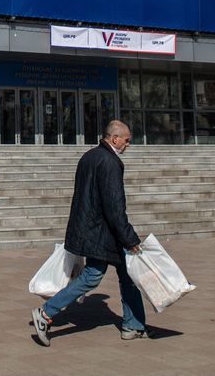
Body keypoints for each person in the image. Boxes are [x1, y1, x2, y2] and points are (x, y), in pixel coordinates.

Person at [31, 119, 147, 346]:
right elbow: (114, 206)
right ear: (114, 138)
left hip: (90, 228)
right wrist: (129, 238)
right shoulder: (110, 162)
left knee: (128, 274)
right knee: (92, 276)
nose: (128, 144)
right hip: (103, 232)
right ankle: (46, 312)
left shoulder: (89, 156)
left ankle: (133, 325)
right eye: (126, 140)